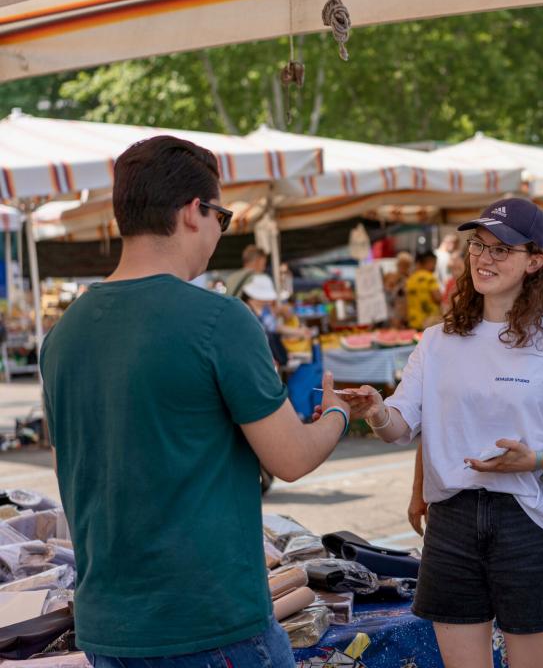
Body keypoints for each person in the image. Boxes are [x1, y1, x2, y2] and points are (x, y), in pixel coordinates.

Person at [39, 136, 352, 666]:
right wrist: (341, 411)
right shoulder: (219, 320)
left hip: (110, 625)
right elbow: (292, 457)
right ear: (192, 212)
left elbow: (74, 463)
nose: (218, 233)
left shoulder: (63, 333)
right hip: (210, 622)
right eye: (222, 218)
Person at [331, 197, 543, 668]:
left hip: (529, 521)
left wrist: (535, 460)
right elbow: (402, 426)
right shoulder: (438, 340)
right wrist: (377, 410)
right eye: (478, 246)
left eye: (502, 249)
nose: (485, 258)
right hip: (452, 524)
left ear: (535, 261)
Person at [405, 250, 442, 330]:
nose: (435, 266)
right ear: (429, 262)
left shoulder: (411, 278)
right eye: (434, 263)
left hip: (413, 322)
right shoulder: (429, 278)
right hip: (429, 323)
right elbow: (437, 298)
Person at [383, 251, 414, 328]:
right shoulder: (390, 276)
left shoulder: (412, 278)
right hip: (392, 313)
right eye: (402, 264)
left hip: (408, 314)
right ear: (397, 264)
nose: (404, 267)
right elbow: (387, 292)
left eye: (407, 265)